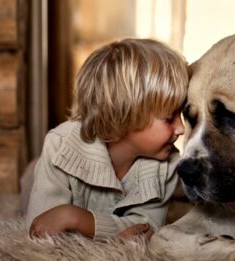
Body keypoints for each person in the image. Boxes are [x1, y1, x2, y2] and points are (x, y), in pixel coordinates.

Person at [26, 38, 188, 242]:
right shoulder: (60, 145)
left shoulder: (167, 163)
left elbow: (146, 231)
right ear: (125, 114)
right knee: (28, 183)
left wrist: (74, 217)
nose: (181, 128)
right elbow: (40, 228)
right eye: (169, 118)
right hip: (46, 171)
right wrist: (117, 234)